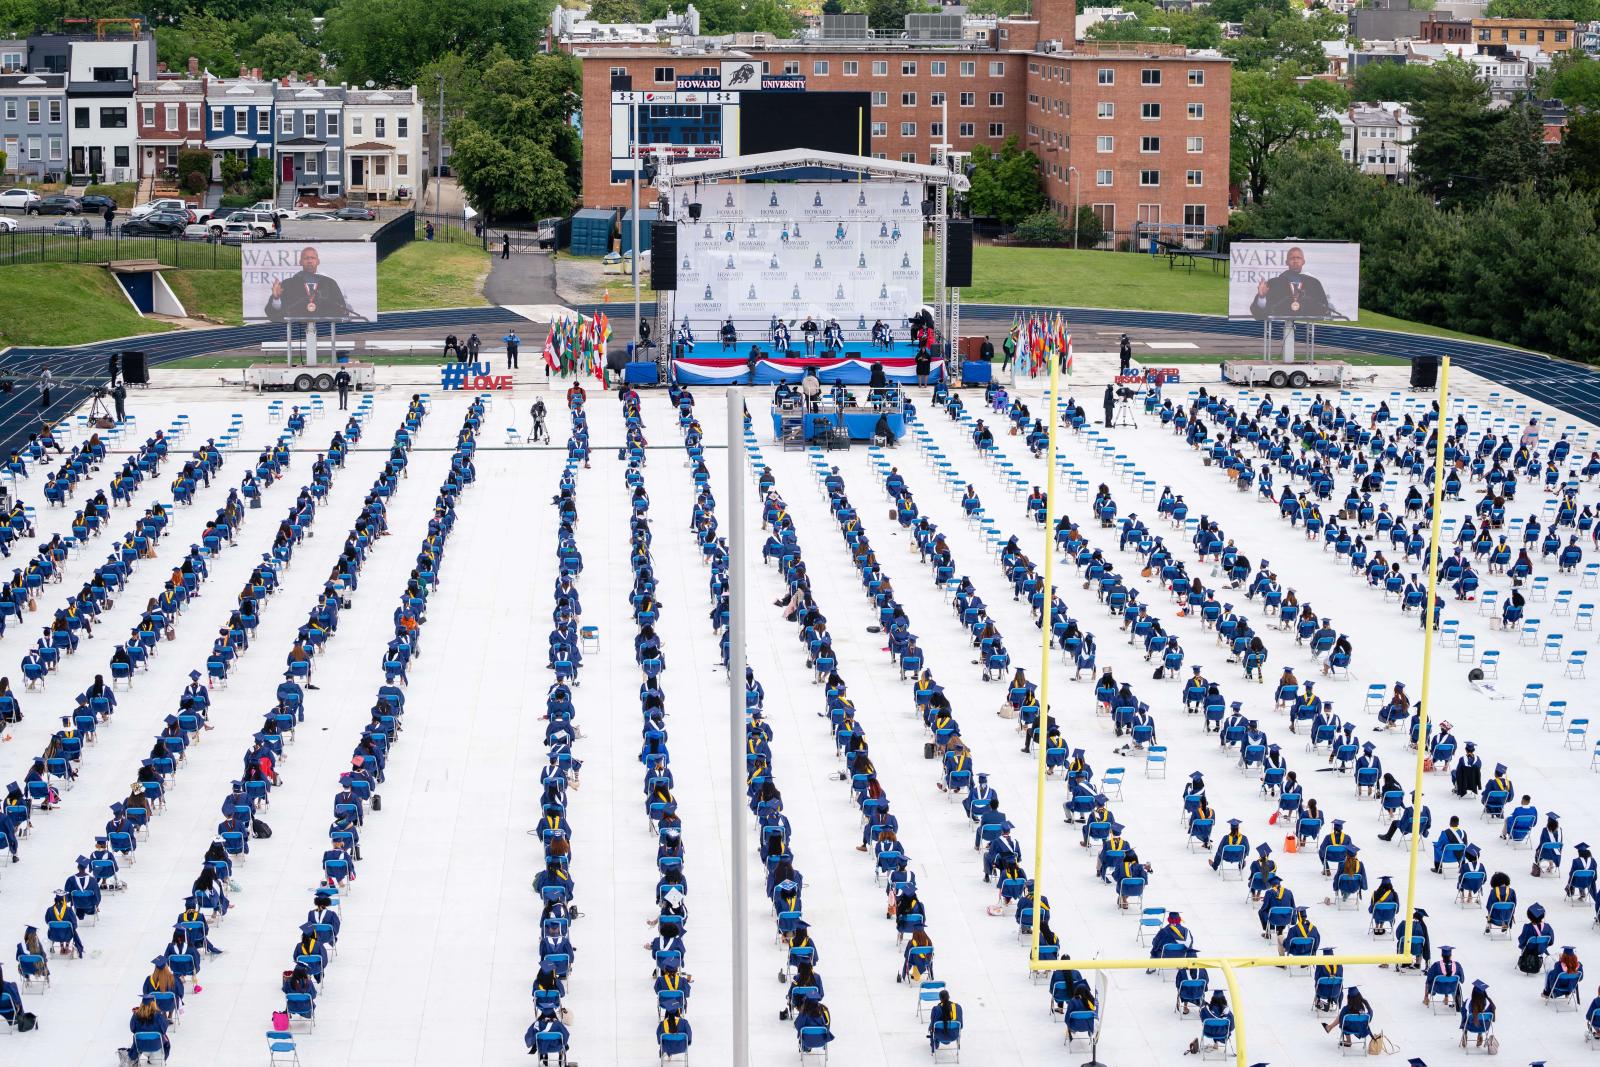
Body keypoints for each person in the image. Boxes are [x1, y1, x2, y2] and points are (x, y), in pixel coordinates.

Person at [1249, 246, 1339, 320]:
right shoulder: (1274, 283)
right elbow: (1259, 311)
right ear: (1287, 262)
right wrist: (1261, 297)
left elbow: (1324, 310)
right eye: (1292, 258)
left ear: (1303, 262)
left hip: (1308, 332)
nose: (1295, 261)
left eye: (1298, 258)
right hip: (1278, 333)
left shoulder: (1314, 284)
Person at [263, 247, 351, 322]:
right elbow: (273, 312)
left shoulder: (330, 284)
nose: (309, 261)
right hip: (295, 333)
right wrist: (276, 298)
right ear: (300, 262)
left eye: (312, 258)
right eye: (306, 258)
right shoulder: (288, 284)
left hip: (325, 333)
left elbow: (341, 309)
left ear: (318, 261)